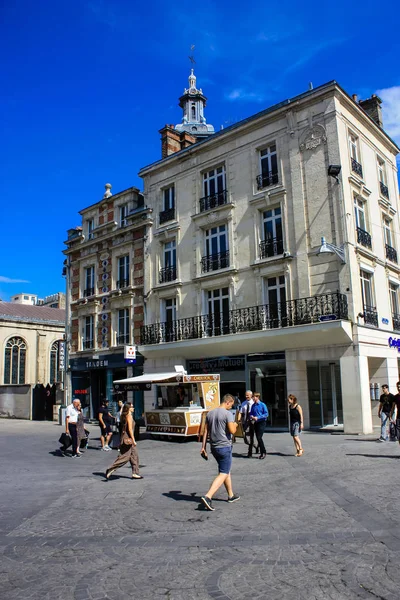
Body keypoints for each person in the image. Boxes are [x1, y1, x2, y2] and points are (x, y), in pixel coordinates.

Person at [200, 394, 240, 511]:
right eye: (231, 405)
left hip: (214, 447)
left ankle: (231, 495)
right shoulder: (227, 414)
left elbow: (205, 431)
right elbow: (232, 431)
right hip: (224, 447)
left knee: (225, 470)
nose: (230, 407)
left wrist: (203, 448)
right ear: (228, 402)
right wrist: (236, 425)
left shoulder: (210, 413)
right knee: (223, 473)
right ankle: (208, 496)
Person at [105, 403, 143, 480]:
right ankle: (111, 468)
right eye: (132, 407)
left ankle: (135, 473)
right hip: (128, 439)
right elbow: (129, 429)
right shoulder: (128, 416)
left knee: (134, 455)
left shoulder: (127, 416)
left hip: (126, 438)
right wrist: (133, 439)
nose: (133, 408)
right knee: (125, 456)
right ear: (128, 408)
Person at [249, 393, 268, 459]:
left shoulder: (262, 405)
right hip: (255, 422)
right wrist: (251, 416)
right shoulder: (253, 405)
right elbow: (251, 412)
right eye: (252, 397)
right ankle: (261, 451)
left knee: (259, 437)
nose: (253, 398)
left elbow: (266, 414)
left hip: (262, 422)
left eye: (254, 397)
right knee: (258, 437)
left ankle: (263, 452)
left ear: (257, 397)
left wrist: (258, 417)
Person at [239, 390, 256, 457]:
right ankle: (255, 446)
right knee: (246, 438)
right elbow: (241, 412)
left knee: (251, 436)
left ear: (251, 395)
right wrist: (238, 420)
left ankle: (250, 452)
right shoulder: (244, 403)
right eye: (246, 395)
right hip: (246, 422)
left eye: (248, 395)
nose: (246, 396)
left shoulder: (254, 403)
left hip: (253, 421)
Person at [390, 381, 400, 447]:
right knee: (399, 436)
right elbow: (393, 407)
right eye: (398, 387)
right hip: (399, 417)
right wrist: (390, 416)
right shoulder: (395, 397)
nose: (399, 388)